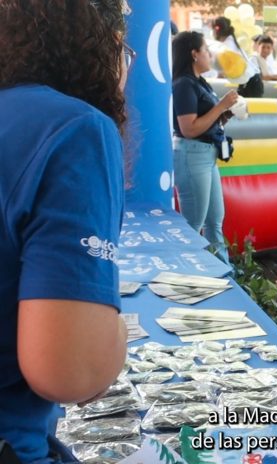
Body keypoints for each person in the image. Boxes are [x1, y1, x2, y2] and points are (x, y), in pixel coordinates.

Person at [0, 1, 130, 462]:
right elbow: (70, 372)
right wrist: (118, 334)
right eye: (124, 52)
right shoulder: (76, 130)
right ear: (101, 46)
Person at [172, 31, 238, 266]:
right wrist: (220, 106)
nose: (209, 55)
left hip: (206, 155)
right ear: (194, 54)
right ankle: (186, 275)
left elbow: (205, 122)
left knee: (214, 221)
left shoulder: (199, 83)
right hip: (193, 154)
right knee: (193, 224)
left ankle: (224, 273)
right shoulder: (183, 85)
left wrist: (223, 114)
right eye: (206, 50)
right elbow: (188, 128)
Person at [211, 16, 263, 98]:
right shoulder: (229, 42)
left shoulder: (227, 46)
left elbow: (223, 70)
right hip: (249, 82)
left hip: (250, 84)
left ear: (215, 30)